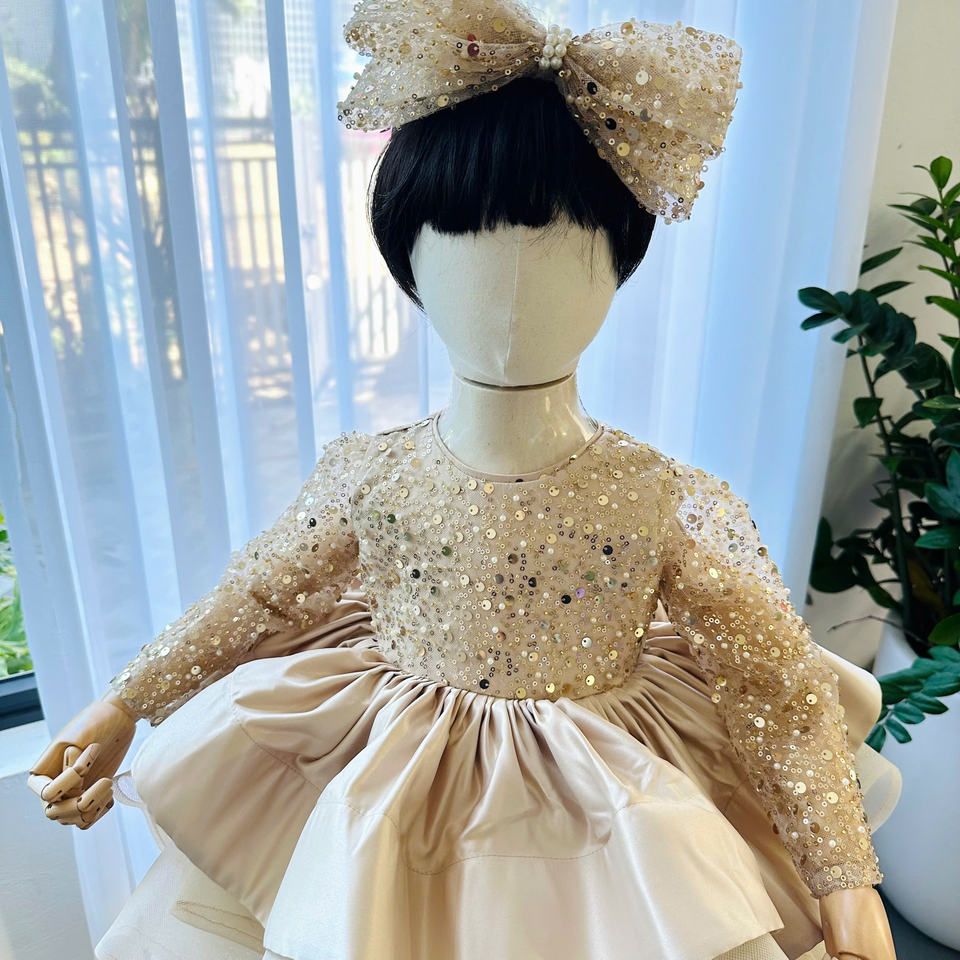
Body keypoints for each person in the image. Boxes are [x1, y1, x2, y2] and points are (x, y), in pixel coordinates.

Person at [29, 4, 900, 958]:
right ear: (409, 257)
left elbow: (774, 685)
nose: (512, 286)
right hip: (397, 789)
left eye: (562, 237)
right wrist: (127, 703)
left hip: (613, 806)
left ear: (618, 262)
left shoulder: (665, 499)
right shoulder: (373, 474)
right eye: (462, 236)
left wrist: (845, 881)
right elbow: (257, 598)